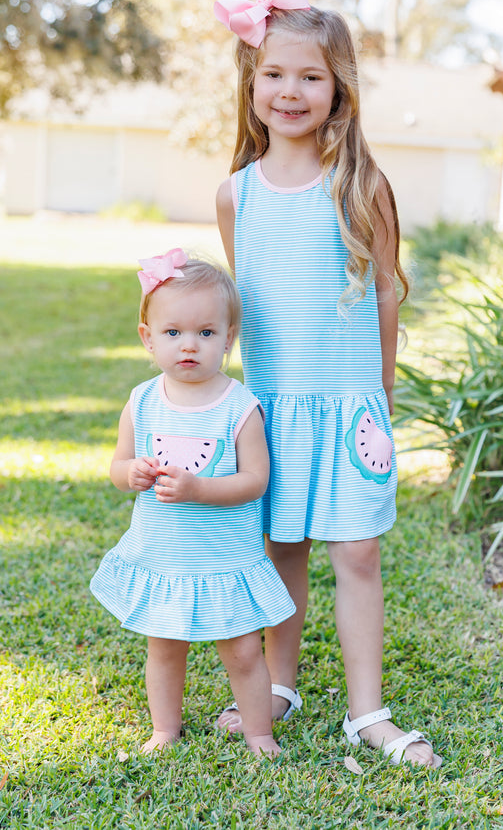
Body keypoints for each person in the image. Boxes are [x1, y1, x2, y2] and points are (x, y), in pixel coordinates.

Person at [213, 0, 442, 769]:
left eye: (310, 75)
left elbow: (384, 297)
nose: (290, 89)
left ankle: (367, 712)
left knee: (357, 553)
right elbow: (241, 310)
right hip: (270, 408)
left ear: (338, 90)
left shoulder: (360, 187)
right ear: (252, 83)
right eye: (274, 73)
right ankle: (279, 687)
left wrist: (382, 396)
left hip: (349, 407)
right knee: (282, 550)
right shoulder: (234, 195)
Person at [90, 250, 296, 757]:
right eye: (174, 333)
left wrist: (200, 488)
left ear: (228, 339)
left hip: (225, 557)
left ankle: (258, 732)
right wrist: (131, 473)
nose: (189, 345)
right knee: (163, 648)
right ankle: (165, 729)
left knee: (245, 652)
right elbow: (117, 468)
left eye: (206, 333)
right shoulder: (142, 401)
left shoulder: (240, 405)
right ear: (148, 338)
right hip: (164, 555)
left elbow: (256, 480)